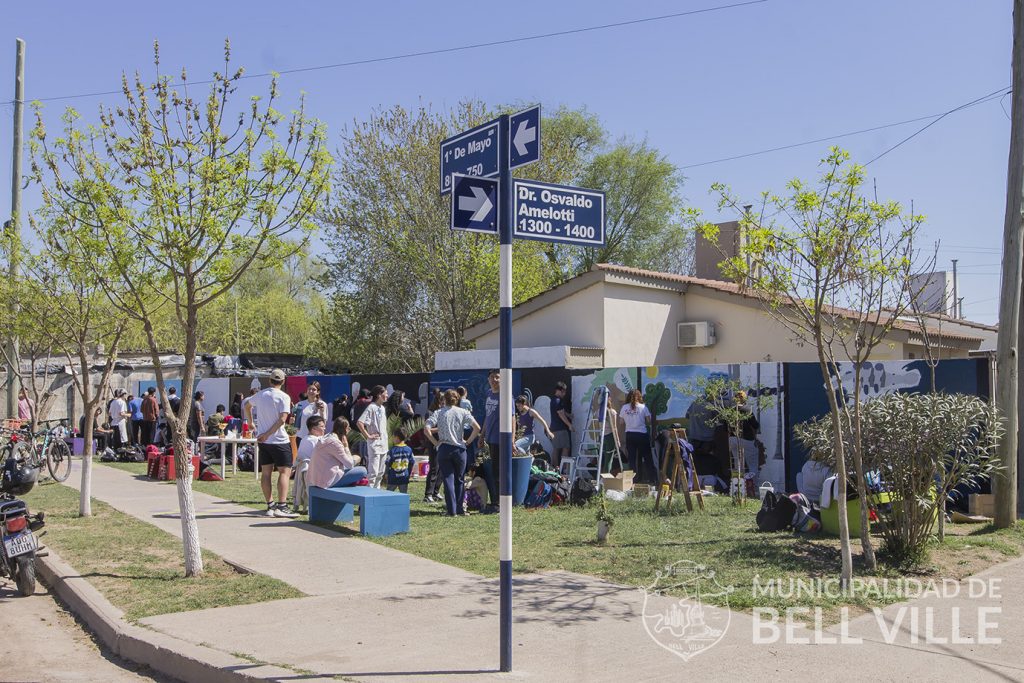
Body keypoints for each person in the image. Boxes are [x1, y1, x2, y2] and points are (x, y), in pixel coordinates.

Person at [252, 369, 299, 518]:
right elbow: (282, 419)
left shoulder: (260, 394)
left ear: (269, 380)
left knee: (266, 472)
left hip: (264, 441)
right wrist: (267, 434)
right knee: (284, 472)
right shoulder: (284, 397)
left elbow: (247, 404)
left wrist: (251, 423)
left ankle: (270, 505)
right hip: (278, 440)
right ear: (283, 381)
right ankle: (282, 506)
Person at [431, 389, 480, 517]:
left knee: (448, 479)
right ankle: (460, 509)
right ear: (457, 399)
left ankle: (451, 510)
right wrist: (468, 442)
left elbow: (426, 429)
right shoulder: (463, 412)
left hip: (444, 448)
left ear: (444, 400)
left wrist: (436, 443)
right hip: (459, 449)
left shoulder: (439, 412)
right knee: (460, 479)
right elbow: (477, 428)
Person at [309, 417, 367, 489]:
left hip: (316, 479)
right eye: (348, 427)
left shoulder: (327, 437)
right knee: (362, 470)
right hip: (326, 481)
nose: (349, 430)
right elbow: (350, 465)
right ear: (345, 429)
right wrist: (346, 447)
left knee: (351, 464)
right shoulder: (335, 443)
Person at [620, 389, 656, 484]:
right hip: (641, 434)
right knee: (647, 457)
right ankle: (652, 479)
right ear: (639, 397)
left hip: (630, 435)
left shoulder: (624, 408)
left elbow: (621, 422)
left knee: (632, 459)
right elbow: (648, 421)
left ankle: (632, 481)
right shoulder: (643, 407)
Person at [356, 385, 389, 488]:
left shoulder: (382, 408)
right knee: (373, 473)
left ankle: (377, 494)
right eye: (385, 393)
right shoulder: (371, 407)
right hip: (375, 444)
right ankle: (369, 497)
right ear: (379, 395)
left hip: (384, 444)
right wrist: (368, 436)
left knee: (380, 472)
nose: (387, 395)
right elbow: (360, 422)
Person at [294, 414, 327, 512]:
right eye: (322, 426)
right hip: (312, 470)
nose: (324, 428)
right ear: (313, 429)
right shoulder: (317, 440)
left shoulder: (304, 439)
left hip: (302, 469)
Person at [729, 391, 761, 478]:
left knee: (737, 464)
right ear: (744, 399)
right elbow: (755, 425)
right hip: (746, 438)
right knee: (752, 464)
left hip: (732, 439)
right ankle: (753, 486)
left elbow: (725, 426)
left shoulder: (729, 411)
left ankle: (738, 485)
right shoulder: (747, 409)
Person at [421, 393, 443, 503]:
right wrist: (441, 428)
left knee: (441, 469)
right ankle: (428, 493)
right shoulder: (430, 413)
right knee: (434, 467)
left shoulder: (443, 412)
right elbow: (427, 429)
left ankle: (436, 491)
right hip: (433, 442)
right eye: (442, 402)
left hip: (442, 442)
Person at [294, 381, 327, 449]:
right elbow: (296, 422)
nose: (311, 391)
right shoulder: (300, 404)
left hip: (316, 439)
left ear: (318, 392)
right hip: (302, 437)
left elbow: (324, 423)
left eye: (314, 389)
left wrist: (322, 412)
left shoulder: (322, 404)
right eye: (309, 389)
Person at [549, 381, 574, 468]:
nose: (564, 393)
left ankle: (556, 468)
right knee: (565, 447)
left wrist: (569, 415)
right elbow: (560, 413)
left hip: (554, 428)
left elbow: (561, 411)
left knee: (556, 448)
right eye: (563, 391)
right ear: (558, 390)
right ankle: (564, 469)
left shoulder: (554, 400)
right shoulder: (557, 400)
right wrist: (569, 425)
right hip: (561, 429)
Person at [385, 427, 415, 493]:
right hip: (404, 477)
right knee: (403, 495)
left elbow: (388, 463)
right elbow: (412, 462)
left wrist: (386, 473)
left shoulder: (392, 450)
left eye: (393, 436)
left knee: (388, 495)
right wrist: (408, 473)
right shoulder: (409, 450)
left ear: (397, 438)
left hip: (393, 477)